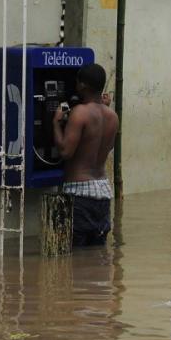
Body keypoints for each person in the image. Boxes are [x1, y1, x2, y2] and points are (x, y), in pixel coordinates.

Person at [53, 63, 119, 247]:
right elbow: (108, 147)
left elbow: (66, 152)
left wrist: (56, 124)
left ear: (83, 85)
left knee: (74, 256)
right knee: (96, 256)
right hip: (103, 193)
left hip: (79, 193)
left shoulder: (79, 113)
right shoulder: (112, 116)